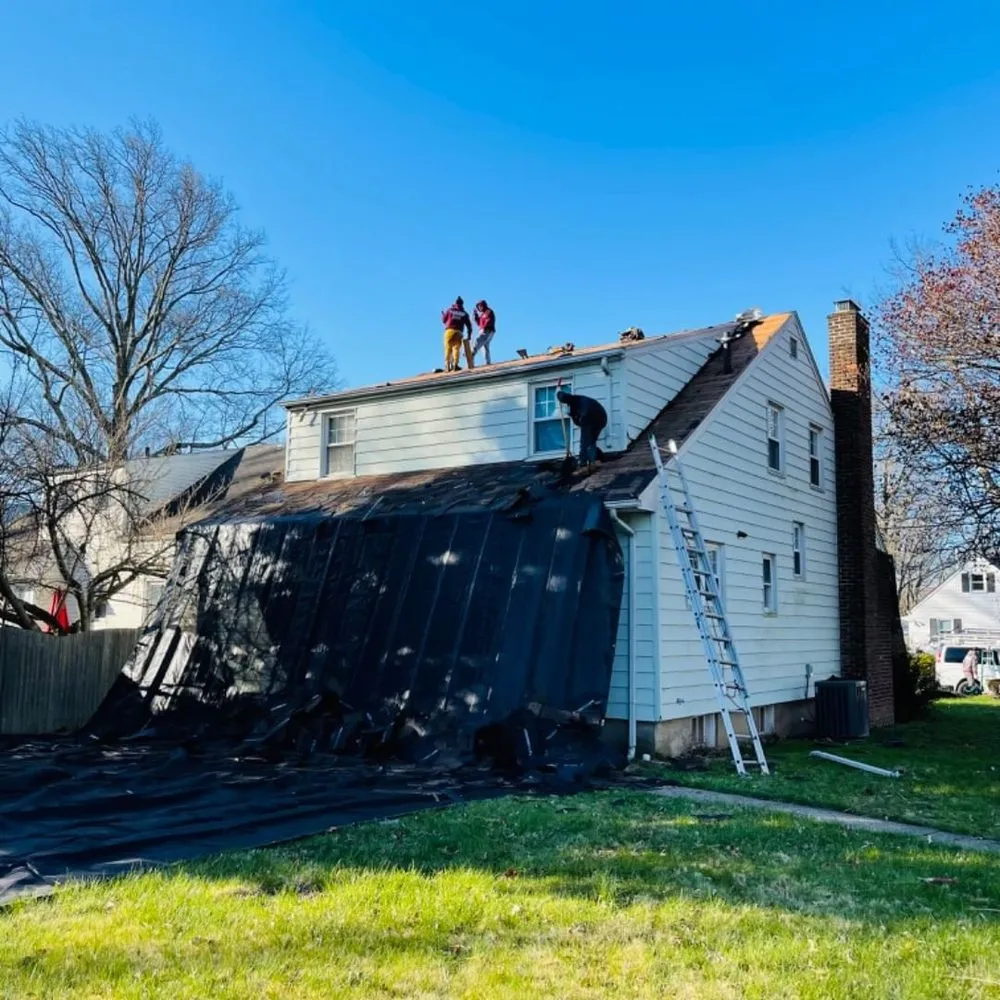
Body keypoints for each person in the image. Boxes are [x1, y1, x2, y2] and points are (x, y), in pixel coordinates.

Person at [556, 386, 608, 468]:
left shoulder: (575, 400)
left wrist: (558, 392)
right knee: (591, 441)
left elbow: (563, 397)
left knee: (585, 440)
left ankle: (583, 462)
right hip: (601, 418)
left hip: (592, 416)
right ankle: (595, 459)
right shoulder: (577, 406)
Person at [441, 296, 472, 371]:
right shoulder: (464, 313)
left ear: (455, 303)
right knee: (456, 348)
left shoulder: (450, 310)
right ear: (462, 304)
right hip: (459, 332)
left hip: (449, 331)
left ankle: (447, 366)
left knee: (448, 348)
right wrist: (469, 335)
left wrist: (443, 315)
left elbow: (444, 320)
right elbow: (469, 326)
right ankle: (455, 365)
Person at [472, 300, 497, 365]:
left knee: (478, 339)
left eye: (480, 306)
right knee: (485, 347)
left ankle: (472, 352)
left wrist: (485, 327)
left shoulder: (488, 311)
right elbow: (479, 323)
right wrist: (475, 316)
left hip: (488, 330)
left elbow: (489, 320)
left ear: (483, 305)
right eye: (478, 307)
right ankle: (487, 362)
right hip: (483, 329)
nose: (479, 308)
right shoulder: (482, 314)